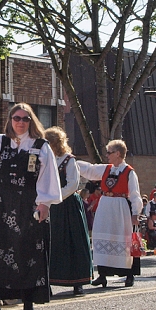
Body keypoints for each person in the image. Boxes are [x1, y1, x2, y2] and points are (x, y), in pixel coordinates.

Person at [0, 103, 61, 310]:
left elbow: (48, 176)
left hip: (30, 207)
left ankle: (28, 304)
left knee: (28, 254)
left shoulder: (40, 146)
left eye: (25, 119)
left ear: (31, 121)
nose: (20, 122)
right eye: (16, 118)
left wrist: (45, 203)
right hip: (2, 207)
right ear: (10, 120)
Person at [78, 139, 144, 288]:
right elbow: (90, 169)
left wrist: (135, 213)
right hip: (105, 207)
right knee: (102, 234)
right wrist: (71, 162)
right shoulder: (106, 169)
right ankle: (102, 274)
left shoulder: (129, 172)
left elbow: (135, 194)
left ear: (118, 154)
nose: (107, 155)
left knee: (123, 238)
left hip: (120, 207)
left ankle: (129, 274)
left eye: (109, 152)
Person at [44, 126, 92, 296]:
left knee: (74, 241)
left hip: (68, 205)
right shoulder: (47, 160)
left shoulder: (69, 160)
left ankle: (78, 281)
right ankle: (47, 281)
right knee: (51, 242)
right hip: (51, 206)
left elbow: (72, 185)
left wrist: (56, 196)